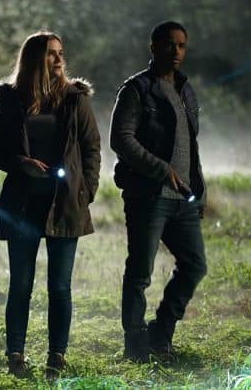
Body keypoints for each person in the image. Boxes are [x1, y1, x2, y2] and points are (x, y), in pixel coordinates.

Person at [0, 31, 101, 380]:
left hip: (65, 203)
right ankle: (15, 355)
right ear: (34, 59)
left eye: (60, 53)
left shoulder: (75, 98)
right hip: (23, 204)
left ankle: (57, 356)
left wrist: (86, 191)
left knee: (60, 286)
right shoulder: (12, 99)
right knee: (20, 284)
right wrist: (20, 162)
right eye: (51, 53)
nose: (58, 59)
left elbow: (92, 148)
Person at [109, 20, 207, 363]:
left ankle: (160, 332)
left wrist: (199, 189)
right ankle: (135, 346)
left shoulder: (185, 89)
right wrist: (162, 170)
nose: (176, 51)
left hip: (183, 199)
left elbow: (190, 146)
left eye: (181, 45)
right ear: (153, 47)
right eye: (169, 44)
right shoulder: (136, 89)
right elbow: (121, 139)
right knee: (140, 273)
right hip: (148, 195)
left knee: (194, 265)